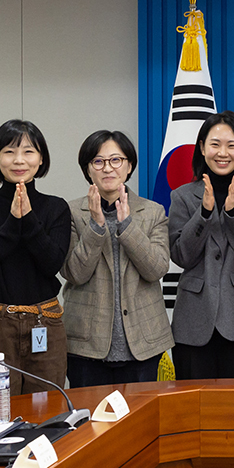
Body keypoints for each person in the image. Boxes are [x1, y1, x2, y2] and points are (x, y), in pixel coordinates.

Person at [0, 120, 71, 401]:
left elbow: (52, 263)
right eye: (9, 152)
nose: (19, 160)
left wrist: (29, 219)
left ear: (41, 158)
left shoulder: (56, 207)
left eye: (28, 151)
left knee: (47, 408)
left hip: (45, 321)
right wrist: (12, 222)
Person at [61, 130, 173, 387]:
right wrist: (96, 226)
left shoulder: (153, 211)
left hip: (143, 342)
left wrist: (127, 226)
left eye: (116, 160)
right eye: (98, 161)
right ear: (88, 169)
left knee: (142, 414)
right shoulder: (70, 212)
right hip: (85, 344)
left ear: (129, 165)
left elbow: (156, 268)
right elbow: (75, 273)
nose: (107, 168)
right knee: (90, 413)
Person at [168, 112, 234, 379]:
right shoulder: (181, 196)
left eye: (231, 145)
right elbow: (181, 256)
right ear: (202, 147)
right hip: (193, 321)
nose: (222, 153)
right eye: (215, 144)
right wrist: (203, 213)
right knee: (193, 401)